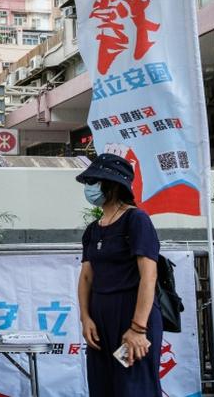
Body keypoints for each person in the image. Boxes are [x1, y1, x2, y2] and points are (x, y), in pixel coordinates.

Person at [76, 153, 162, 396]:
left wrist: (138, 329)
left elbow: (149, 276)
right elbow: (86, 278)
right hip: (99, 320)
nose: (89, 188)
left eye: (94, 181)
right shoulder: (93, 230)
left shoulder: (137, 220)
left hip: (132, 315)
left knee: (133, 386)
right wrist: (86, 318)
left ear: (112, 185)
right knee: (103, 386)